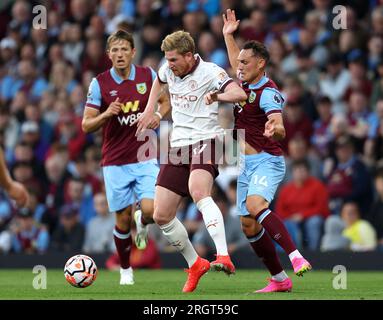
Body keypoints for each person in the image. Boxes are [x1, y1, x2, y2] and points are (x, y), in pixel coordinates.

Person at [135, 30, 247, 293]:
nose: (169, 65)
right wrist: (151, 110)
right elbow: (158, 81)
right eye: (167, 59)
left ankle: (222, 256)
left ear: (189, 55)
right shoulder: (169, 68)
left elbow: (239, 94)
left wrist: (218, 96)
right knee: (161, 215)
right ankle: (195, 264)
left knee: (199, 192)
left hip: (206, 141)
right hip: (178, 145)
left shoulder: (211, 72)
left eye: (173, 60)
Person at [222, 9, 312, 293]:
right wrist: (228, 36)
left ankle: (296, 257)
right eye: (239, 63)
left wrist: (277, 128)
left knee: (255, 206)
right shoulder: (245, 82)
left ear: (260, 64)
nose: (239, 66)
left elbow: (279, 123)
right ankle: (279, 279)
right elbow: (236, 58)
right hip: (246, 164)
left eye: (245, 63)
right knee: (249, 225)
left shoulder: (268, 92)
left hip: (267, 161)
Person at [81, 30, 170, 285]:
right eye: (115, 50)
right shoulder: (99, 83)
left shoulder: (148, 75)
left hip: (144, 155)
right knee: (121, 219)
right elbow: (86, 125)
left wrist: (158, 116)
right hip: (115, 161)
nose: (120, 54)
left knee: (153, 212)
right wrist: (107, 113)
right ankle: (125, 269)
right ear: (109, 55)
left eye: (124, 49)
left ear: (133, 52)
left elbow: (166, 102)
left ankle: (141, 221)